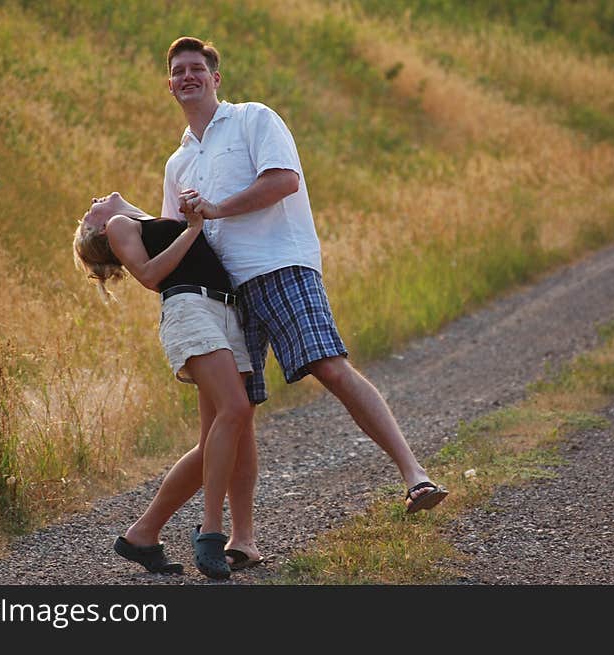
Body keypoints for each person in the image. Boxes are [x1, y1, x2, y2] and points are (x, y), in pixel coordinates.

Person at [161, 37, 449, 515]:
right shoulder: (178, 162)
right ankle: (241, 537)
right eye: (178, 71)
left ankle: (415, 476)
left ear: (216, 78)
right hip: (225, 296)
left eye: (197, 68)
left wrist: (216, 209)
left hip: (280, 265)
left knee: (330, 367)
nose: (188, 76)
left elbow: (283, 180)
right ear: (169, 86)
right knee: (237, 416)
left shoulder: (254, 118)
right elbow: (179, 235)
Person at [73, 191, 262, 579]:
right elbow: (149, 275)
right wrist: (193, 229)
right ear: (98, 229)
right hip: (191, 308)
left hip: (222, 309)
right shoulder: (120, 225)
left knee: (213, 438)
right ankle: (211, 532)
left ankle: (142, 534)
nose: (93, 200)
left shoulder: (150, 221)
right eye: (86, 214)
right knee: (236, 410)